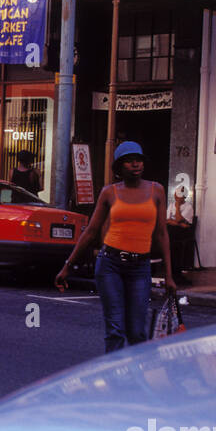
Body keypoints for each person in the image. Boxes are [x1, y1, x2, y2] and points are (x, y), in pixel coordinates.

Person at [55, 140, 177, 353]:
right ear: (119, 167)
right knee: (115, 329)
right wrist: (68, 265)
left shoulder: (156, 190)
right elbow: (91, 231)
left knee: (137, 331)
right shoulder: (109, 192)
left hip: (140, 268)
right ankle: (115, 379)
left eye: (138, 160)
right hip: (110, 265)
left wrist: (169, 275)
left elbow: (161, 234)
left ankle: (136, 375)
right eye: (129, 161)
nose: (136, 164)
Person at [166, 183, 195, 286]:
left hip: (182, 235)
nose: (176, 197)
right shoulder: (170, 205)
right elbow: (167, 220)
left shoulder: (188, 207)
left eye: (179, 196)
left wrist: (177, 207)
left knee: (175, 239)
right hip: (173, 232)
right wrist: (178, 223)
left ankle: (177, 274)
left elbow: (178, 219)